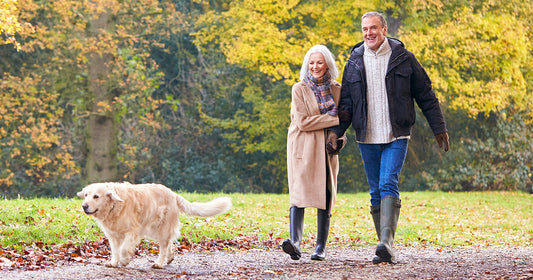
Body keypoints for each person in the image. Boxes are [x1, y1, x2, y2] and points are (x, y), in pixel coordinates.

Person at [327, 12, 449, 264]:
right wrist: (337, 132)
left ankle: (386, 243)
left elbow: (426, 94)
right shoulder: (355, 61)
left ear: (384, 29)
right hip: (366, 135)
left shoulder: (404, 58)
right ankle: (383, 247)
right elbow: (347, 103)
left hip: (397, 133)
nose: (368, 33)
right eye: (364, 29)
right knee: (375, 191)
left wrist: (439, 127)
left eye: (373, 28)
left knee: (388, 183)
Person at [283, 44, 347, 261]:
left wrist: (339, 139)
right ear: (306, 65)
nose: (315, 66)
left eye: (319, 62)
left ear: (327, 64)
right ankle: (295, 243)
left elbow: (342, 128)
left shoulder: (338, 89)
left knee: (326, 195)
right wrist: (335, 118)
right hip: (302, 147)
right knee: (299, 194)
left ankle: (320, 247)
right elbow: (303, 122)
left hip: (326, 150)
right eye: (311, 62)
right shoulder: (298, 89)